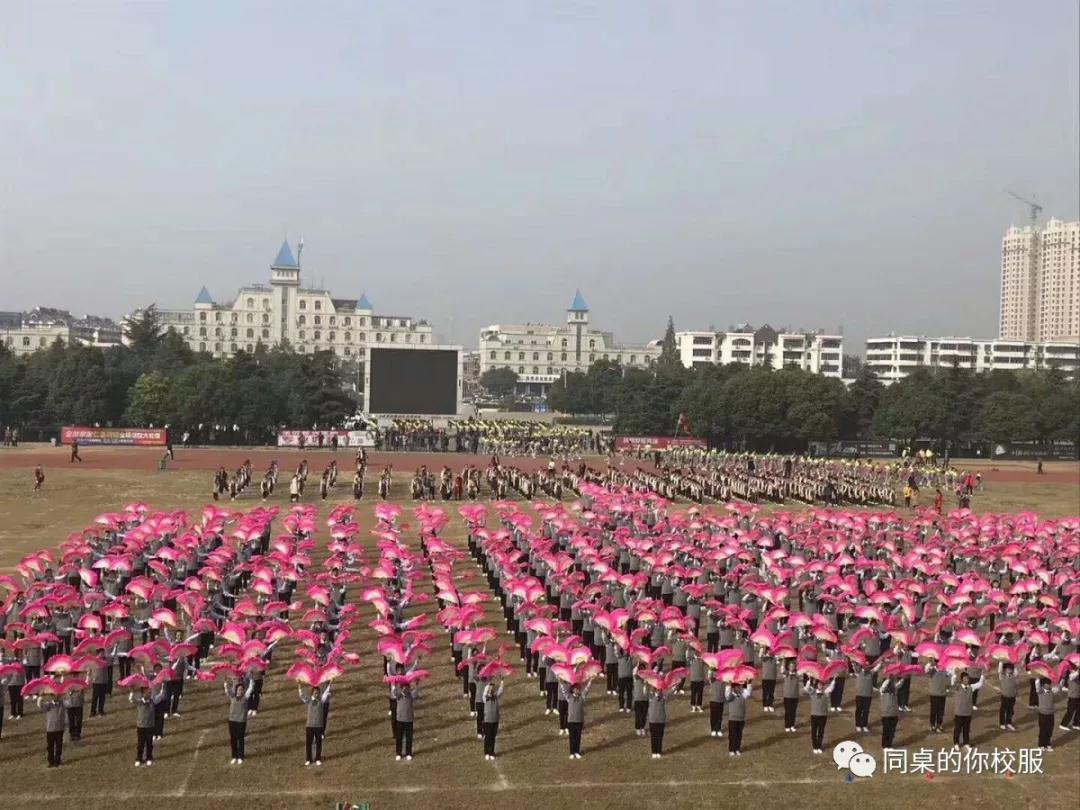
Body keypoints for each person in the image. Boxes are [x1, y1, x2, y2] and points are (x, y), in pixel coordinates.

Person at [300, 684, 331, 766]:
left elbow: (326, 692)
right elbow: (302, 696)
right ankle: (308, 759)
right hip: (309, 726)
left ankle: (318, 758)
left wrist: (330, 683)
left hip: (319, 726)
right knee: (308, 743)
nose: (316, 694)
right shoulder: (309, 701)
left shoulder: (321, 701)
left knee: (318, 743)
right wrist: (299, 685)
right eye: (315, 693)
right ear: (312, 693)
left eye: (318, 693)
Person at [226, 679, 255, 764]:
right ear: (236, 690)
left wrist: (251, 680)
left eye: (242, 689)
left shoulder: (245, 698)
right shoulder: (232, 697)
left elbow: (250, 688)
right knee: (233, 739)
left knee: (240, 739)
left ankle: (240, 756)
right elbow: (228, 690)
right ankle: (234, 756)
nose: (240, 691)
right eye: (239, 689)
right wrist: (226, 682)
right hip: (232, 721)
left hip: (241, 722)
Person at [130, 686, 160, 766]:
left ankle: (149, 757)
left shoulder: (152, 702)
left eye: (150, 692)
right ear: (143, 694)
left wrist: (163, 687)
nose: (149, 694)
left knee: (149, 743)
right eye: (147, 692)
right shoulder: (139, 702)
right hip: (141, 726)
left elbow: (161, 696)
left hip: (150, 726)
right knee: (140, 744)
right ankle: (139, 758)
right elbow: (131, 700)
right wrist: (132, 691)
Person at [951, 670, 982, 748]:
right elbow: (952, 683)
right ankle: (956, 743)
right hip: (959, 713)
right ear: (962, 679)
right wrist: (954, 674)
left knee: (966, 729)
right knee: (958, 729)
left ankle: (966, 743)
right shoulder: (957, 687)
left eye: (967, 678)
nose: (966, 680)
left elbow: (979, 684)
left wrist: (982, 676)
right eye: (965, 678)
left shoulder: (971, 687)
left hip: (968, 713)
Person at [806, 677, 834, 754]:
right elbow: (807, 688)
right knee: (814, 731)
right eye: (819, 684)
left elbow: (831, 687)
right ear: (817, 685)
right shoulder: (813, 692)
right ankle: (814, 746)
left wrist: (834, 679)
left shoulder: (826, 693)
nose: (820, 686)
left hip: (823, 715)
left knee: (821, 731)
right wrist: (809, 680)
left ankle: (819, 746)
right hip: (814, 715)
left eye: (822, 685)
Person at [38, 693, 66, 767]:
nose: (56, 697)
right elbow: (40, 705)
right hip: (50, 729)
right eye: (54, 695)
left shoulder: (63, 704)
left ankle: (57, 760)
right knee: (50, 746)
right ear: (52, 696)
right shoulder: (48, 705)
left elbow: (70, 703)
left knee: (59, 745)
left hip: (59, 728)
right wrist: (41, 696)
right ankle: (51, 761)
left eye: (58, 695)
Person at [391, 682, 416, 760]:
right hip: (400, 719)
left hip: (409, 719)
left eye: (406, 687)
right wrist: (395, 685)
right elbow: (394, 694)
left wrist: (417, 685)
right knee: (399, 737)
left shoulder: (410, 696)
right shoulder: (399, 695)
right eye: (403, 687)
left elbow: (415, 693)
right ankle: (398, 753)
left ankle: (408, 753)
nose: (405, 689)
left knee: (409, 737)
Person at [725, 681, 751, 756]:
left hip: (741, 719)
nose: (739, 688)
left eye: (740, 687)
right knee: (732, 735)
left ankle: (737, 748)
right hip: (733, 719)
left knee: (739, 735)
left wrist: (748, 683)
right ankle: (731, 749)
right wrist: (729, 686)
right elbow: (727, 695)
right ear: (734, 688)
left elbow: (748, 692)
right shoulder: (731, 696)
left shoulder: (743, 696)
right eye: (737, 687)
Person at [566, 681, 590, 759]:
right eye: (575, 689)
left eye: (578, 689)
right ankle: (572, 752)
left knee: (578, 737)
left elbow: (587, 690)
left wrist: (590, 681)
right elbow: (563, 690)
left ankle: (577, 751)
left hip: (579, 720)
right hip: (571, 721)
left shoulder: (582, 697)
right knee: (572, 737)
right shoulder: (569, 697)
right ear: (572, 689)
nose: (577, 690)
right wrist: (560, 682)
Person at [481, 679, 503, 760]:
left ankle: (491, 752)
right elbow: (484, 693)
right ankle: (486, 752)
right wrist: (488, 685)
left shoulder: (496, 697)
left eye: (493, 689)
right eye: (490, 689)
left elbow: (500, 691)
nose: (492, 690)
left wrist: (502, 681)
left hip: (495, 720)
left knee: (493, 737)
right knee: (488, 737)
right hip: (487, 720)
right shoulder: (485, 698)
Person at [879, 676, 899, 748]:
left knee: (892, 732)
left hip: (894, 714)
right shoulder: (882, 691)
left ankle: (889, 745)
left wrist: (903, 677)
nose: (891, 686)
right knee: (886, 731)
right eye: (890, 685)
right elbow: (884, 686)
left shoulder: (894, 691)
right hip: (886, 715)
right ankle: (884, 745)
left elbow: (899, 684)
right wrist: (889, 679)